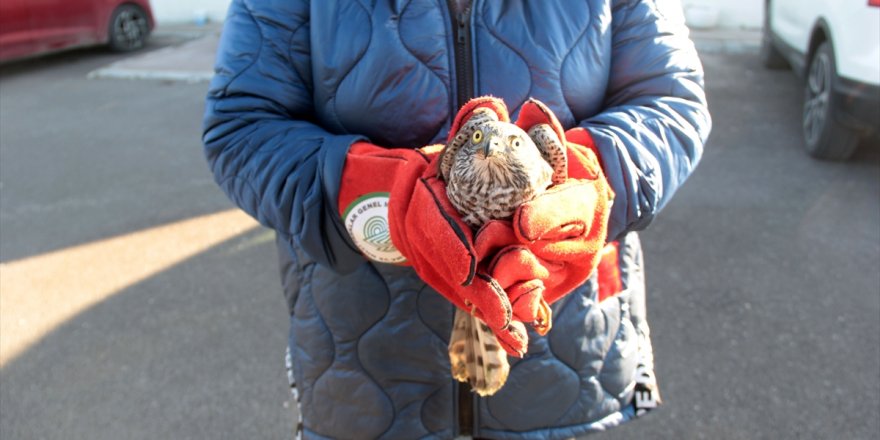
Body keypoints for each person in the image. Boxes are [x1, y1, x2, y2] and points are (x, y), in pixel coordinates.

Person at [202, 1, 710, 438]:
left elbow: (670, 101)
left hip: (567, 345)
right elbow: (242, 125)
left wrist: (591, 182)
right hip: (365, 356)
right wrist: (377, 201)